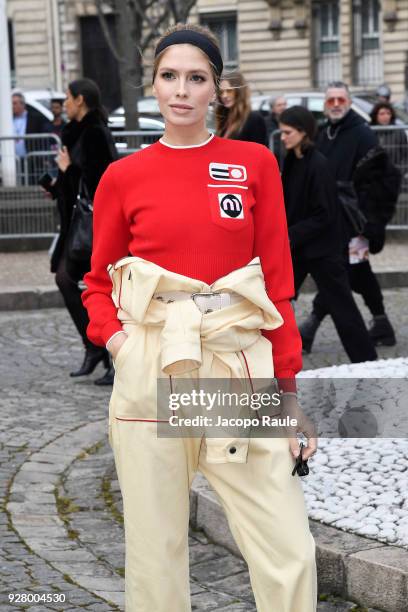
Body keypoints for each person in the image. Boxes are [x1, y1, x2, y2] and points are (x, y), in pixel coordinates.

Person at [82, 23, 317, 612]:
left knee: (289, 548)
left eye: (196, 78)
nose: (181, 90)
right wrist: (119, 344)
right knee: (155, 553)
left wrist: (288, 394)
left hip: (237, 365)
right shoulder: (123, 176)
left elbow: (279, 284)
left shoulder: (254, 162)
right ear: (153, 86)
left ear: (219, 89)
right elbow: (97, 281)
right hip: (154, 368)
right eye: (169, 76)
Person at [300, 81, 396, 351]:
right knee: (356, 271)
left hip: (356, 222)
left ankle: (311, 325)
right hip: (332, 220)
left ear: (349, 103)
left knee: (343, 272)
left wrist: (369, 223)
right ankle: (382, 322)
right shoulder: (323, 133)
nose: (336, 105)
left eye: (341, 99)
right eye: (331, 100)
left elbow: (379, 180)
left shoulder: (362, 134)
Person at [279, 105, 377, 363]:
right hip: (299, 249)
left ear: (302, 132)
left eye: (287, 132)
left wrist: (291, 234)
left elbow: (325, 215)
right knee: (277, 299)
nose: (282, 137)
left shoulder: (318, 165)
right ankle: (272, 357)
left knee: (343, 308)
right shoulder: (291, 159)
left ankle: (366, 361)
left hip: (323, 251)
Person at [51, 78, 117, 384]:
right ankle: (95, 346)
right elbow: (74, 185)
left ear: (80, 100)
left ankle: (108, 352)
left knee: (102, 288)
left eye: (68, 97)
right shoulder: (72, 132)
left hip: (96, 225)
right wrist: (56, 184)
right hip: (76, 223)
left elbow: (101, 182)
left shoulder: (95, 133)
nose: (64, 102)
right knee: (67, 279)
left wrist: (69, 170)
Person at [216, 71, 268, 145]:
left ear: (239, 92)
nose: (224, 95)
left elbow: (259, 152)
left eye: (229, 91)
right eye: (221, 92)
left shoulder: (254, 118)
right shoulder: (224, 119)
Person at [12, 91, 48, 183]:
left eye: (15, 103)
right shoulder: (7, 119)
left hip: (30, 158)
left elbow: (42, 138)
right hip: (13, 160)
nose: (12, 106)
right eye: (12, 103)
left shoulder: (35, 118)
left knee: (31, 182)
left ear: (22, 104)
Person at [370, 101, 408, 169]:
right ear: (375, 116)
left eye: (388, 113)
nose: (386, 116)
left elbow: (405, 157)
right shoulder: (370, 132)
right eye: (382, 114)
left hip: (395, 174)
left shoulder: (399, 132)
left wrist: (399, 172)